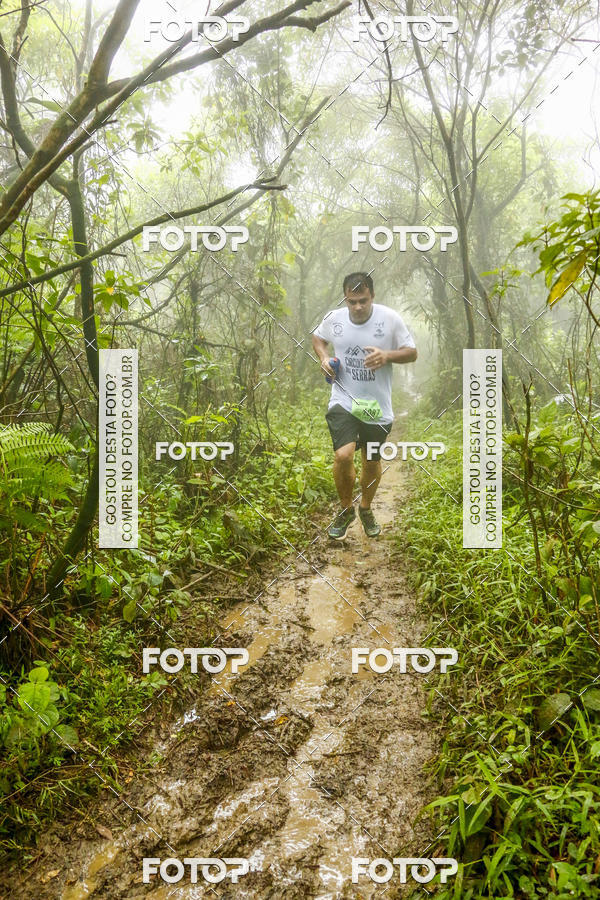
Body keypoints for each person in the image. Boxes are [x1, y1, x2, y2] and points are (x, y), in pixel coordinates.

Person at [312, 272, 417, 539]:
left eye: (363, 300)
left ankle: (366, 509)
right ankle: (346, 509)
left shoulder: (390, 319)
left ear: (372, 296)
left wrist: (387, 355)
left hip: (376, 405)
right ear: (345, 299)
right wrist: (324, 358)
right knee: (343, 455)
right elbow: (317, 338)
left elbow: (411, 352)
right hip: (344, 398)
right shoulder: (334, 319)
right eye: (352, 301)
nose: (357, 307)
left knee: (371, 460)